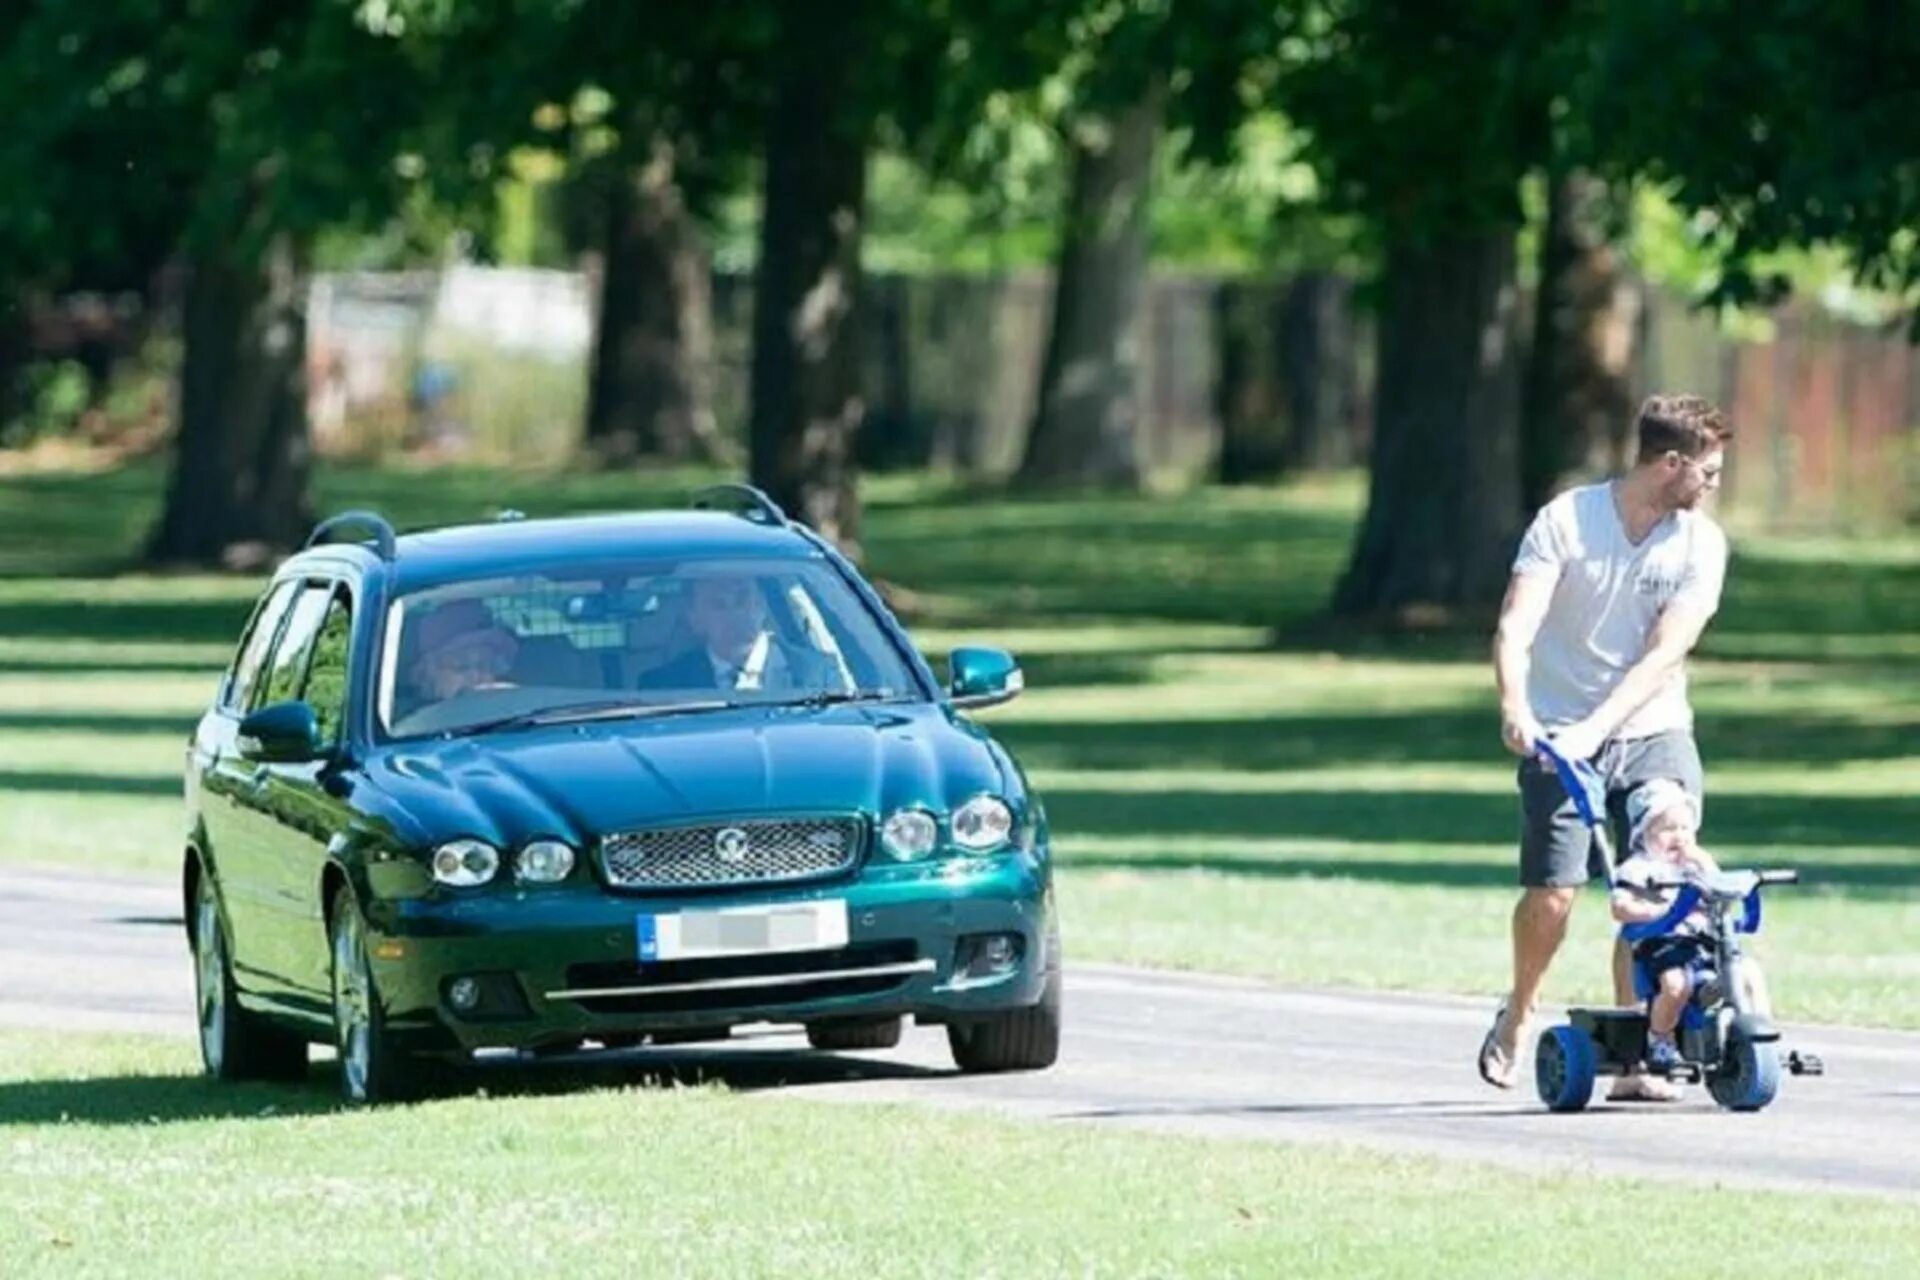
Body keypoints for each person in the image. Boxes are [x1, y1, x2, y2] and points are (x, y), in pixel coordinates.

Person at [1480, 393, 1733, 1101]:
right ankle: (1522, 1006)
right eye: (1708, 471)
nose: (1714, 484)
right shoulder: (1568, 521)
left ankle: (1631, 1050)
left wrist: (1604, 728)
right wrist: (1515, 705)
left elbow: (1664, 655)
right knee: (1554, 896)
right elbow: (1515, 627)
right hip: (1558, 734)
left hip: (1653, 729)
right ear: (1671, 462)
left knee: (1660, 876)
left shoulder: (1701, 542)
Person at [1610, 779, 1770, 1072]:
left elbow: (1720, 887)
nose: (1679, 837)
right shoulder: (1638, 868)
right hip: (1662, 944)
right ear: (1644, 833)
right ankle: (1660, 1037)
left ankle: (1758, 1032)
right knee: (1676, 986)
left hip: (1704, 941)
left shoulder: (1694, 864)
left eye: (1685, 829)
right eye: (1668, 829)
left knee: (1747, 973)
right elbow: (1619, 906)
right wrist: (1652, 911)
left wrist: (1702, 862)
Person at [641, 573, 836, 694]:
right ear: (694, 619)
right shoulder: (663, 686)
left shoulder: (817, 673)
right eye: (719, 603)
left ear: (761, 604)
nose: (735, 612)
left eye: (742, 598)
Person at [408, 597, 519, 703]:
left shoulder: (517, 712)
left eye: (485, 665)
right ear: (429, 673)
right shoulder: (407, 721)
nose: (477, 676)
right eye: (462, 666)